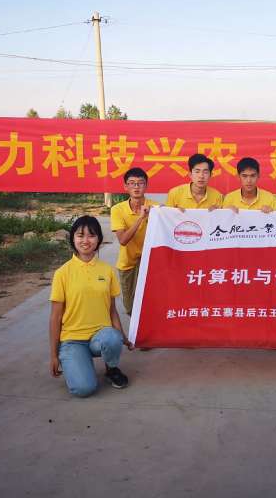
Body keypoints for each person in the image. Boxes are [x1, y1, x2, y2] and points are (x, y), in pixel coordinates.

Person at [49, 215, 132, 397]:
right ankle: (77, 360)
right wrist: (54, 355)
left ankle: (111, 369)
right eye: (80, 235)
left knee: (113, 338)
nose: (85, 241)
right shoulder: (62, 273)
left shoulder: (107, 270)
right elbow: (55, 317)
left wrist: (123, 338)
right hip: (72, 340)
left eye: (91, 235)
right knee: (84, 389)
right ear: (73, 238)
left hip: (100, 336)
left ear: (99, 239)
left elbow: (111, 310)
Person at [111, 167, 158, 317]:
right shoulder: (117, 209)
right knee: (130, 307)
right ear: (125, 186)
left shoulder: (156, 207)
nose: (136, 187)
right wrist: (141, 218)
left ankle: (148, 329)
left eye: (140, 183)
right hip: (128, 263)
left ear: (146, 185)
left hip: (150, 263)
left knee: (150, 304)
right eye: (132, 183)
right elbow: (123, 240)